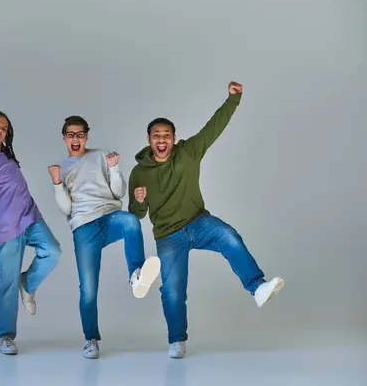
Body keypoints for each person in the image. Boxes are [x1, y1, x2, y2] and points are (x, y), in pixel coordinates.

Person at [128, 81, 284, 359]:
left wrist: (232, 100)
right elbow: (136, 216)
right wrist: (139, 201)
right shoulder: (139, 173)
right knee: (173, 290)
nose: (162, 140)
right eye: (156, 135)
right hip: (168, 237)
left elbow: (214, 127)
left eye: (167, 135)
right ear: (149, 139)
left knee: (229, 236)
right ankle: (177, 340)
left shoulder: (189, 152)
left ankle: (257, 287)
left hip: (199, 222)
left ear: (174, 139)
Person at [48, 115, 161, 359]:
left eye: (80, 134)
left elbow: (119, 192)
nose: (75, 139)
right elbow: (67, 209)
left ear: (86, 136)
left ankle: (136, 275)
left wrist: (113, 167)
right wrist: (57, 182)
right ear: (64, 137)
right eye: (71, 135)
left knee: (130, 220)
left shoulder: (101, 155)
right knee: (88, 289)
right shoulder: (63, 167)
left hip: (109, 217)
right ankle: (90, 340)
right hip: (84, 227)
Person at [0, 111, 62, 355]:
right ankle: (5, 336)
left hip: (29, 216)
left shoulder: (6, 154)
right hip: (6, 226)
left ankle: (28, 283)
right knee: (7, 284)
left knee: (52, 251)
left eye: (4, 127)